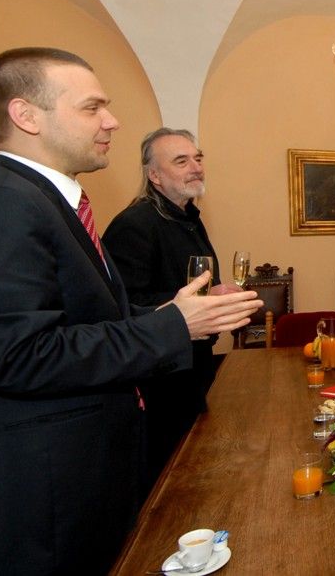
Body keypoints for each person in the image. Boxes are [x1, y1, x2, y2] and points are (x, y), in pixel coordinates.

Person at [0, 47, 262, 576]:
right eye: (92, 107)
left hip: (83, 478)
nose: (112, 121)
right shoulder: (1, 205)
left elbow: (92, 322)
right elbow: (19, 355)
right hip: (41, 498)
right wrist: (174, 325)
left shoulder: (50, 203)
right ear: (26, 115)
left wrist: (174, 310)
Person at [103, 128, 232, 491]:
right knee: (168, 489)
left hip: (192, 373)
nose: (196, 167)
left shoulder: (187, 217)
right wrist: (197, 305)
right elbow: (122, 309)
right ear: (154, 175)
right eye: (181, 161)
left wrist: (216, 297)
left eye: (198, 158)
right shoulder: (134, 224)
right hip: (158, 388)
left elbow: (194, 288)